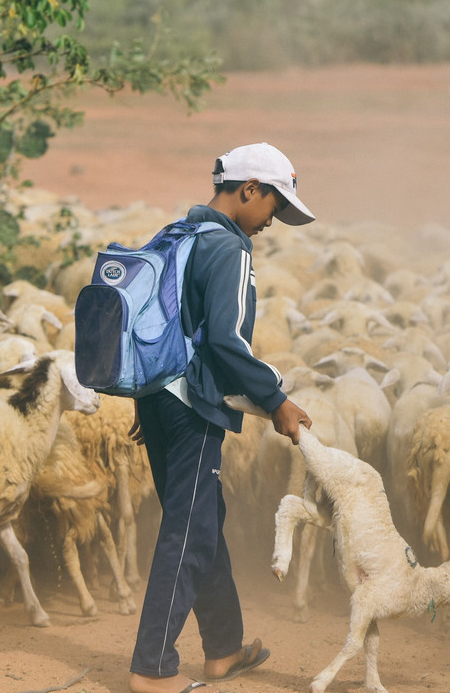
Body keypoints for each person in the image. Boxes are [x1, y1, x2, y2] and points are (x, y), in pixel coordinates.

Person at [127, 143, 315, 693]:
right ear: (249, 189)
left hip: (158, 396)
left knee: (202, 519)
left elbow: (151, 322)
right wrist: (276, 400)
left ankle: (224, 648)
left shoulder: (176, 236)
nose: (271, 223)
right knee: (187, 530)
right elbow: (228, 343)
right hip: (193, 405)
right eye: (274, 208)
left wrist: (147, 398)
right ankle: (150, 668)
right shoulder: (229, 249)